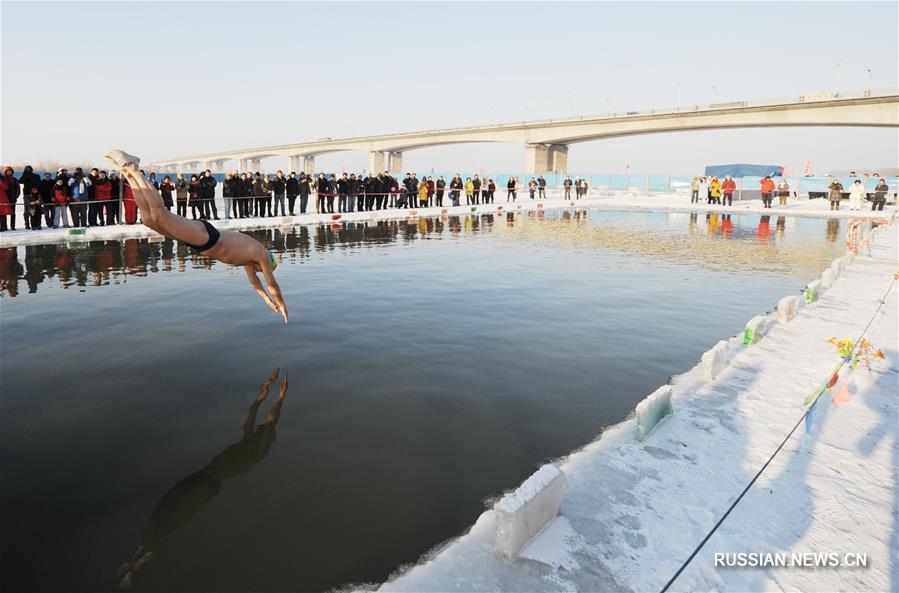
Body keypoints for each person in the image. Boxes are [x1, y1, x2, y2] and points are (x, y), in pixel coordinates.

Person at [116, 369, 289, 591]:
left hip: (205, 482)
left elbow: (266, 420)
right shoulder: (251, 446)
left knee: (169, 515)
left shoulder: (255, 451)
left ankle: (139, 562)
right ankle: (138, 559)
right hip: (204, 480)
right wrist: (268, 390)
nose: (258, 429)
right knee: (166, 513)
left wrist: (278, 397)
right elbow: (256, 415)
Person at [104, 150, 287, 322]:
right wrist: (281, 303)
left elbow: (255, 284)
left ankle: (129, 175)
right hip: (208, 237)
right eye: (262, 270)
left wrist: (267, 300)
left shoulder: (250, 262)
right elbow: (273, 285)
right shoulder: (261, 254)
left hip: (202, 244)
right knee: (160, 214)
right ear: (265, 264)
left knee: (148, 219)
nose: (258, 273)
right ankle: (136, 169)